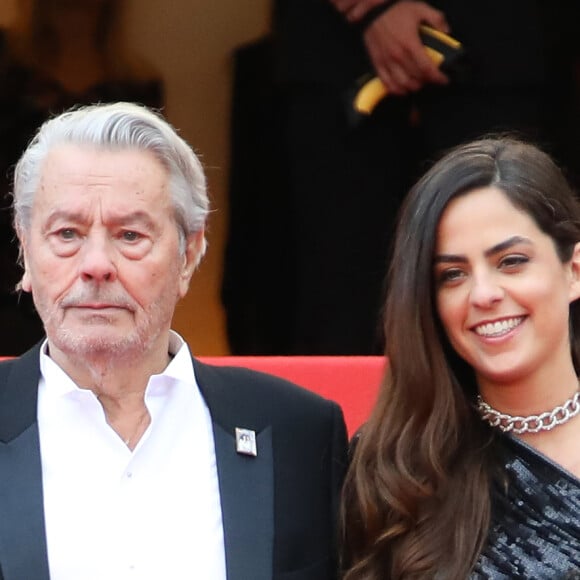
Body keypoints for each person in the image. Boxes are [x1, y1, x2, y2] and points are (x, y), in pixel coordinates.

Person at [0, 102, 347, 579]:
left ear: (189, 253)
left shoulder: (297, 433)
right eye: (67, 233)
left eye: (130, 234)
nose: (96, 264)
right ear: (25, 248)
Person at [221, 0, 580, 355]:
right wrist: (374, 8)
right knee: (347, 299)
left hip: (512, 49)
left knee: (515, 265)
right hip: (337, 59)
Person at [341, 137, 580, 578]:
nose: (484, 295)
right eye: (453, 275)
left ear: (573, 271)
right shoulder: (394, 469)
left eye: (511, 261)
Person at [0, 0, 163, 356]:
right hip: (7, 272)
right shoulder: (6, 68)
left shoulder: (136, 81)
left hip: (107, 279)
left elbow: (154, 192)